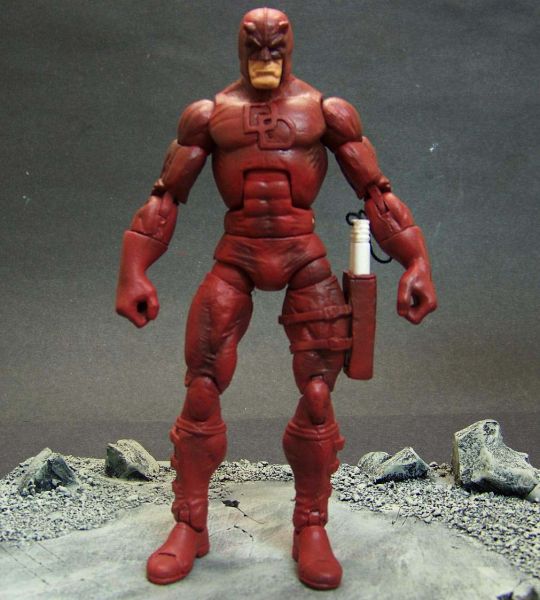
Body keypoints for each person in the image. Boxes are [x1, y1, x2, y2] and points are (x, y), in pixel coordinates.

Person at [116, 7, 437, 591]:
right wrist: (134, 270)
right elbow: (165, 197)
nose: (265, 59)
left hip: (302, 255)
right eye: (255, 48)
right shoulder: (210, 115)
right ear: (240, 49)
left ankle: (310, 525)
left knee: (317, 395)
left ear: (290, 48)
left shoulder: (324, 111)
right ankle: (189, 523)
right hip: (237, 254)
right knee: (201, 386)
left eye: (275, 48)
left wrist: (415, 260)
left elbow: (376, 191)